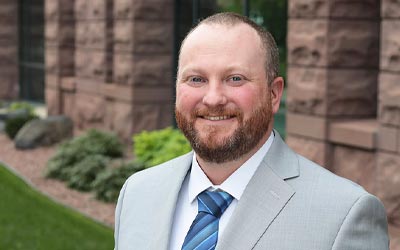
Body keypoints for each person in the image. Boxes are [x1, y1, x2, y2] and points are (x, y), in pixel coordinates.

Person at [114, 12, 389, 250]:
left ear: (273, 94)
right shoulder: (137, 193)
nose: (213, 98)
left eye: (235, 79)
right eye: (196, 79)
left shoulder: (344, 215)